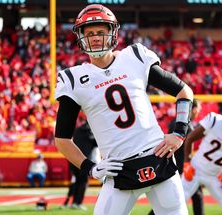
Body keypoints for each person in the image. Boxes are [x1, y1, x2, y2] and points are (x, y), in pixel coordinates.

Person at [54, 4, 193, 215]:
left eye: (101, 32)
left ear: (112, 33)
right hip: (118, 169)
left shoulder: (134, 57)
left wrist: (179, 133)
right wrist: (90, 168)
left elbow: (184, 92)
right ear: (81, 38)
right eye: (89, 33)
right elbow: (62, 140)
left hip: (158, 158)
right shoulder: (73, 79)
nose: (95, 37)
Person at [148, 99, 204, 215]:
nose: (198, 113)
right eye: (197, 110)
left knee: (193, 196)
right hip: (181, 167)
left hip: (179, 166)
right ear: (193, 109)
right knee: (177, 200)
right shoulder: (184, 126)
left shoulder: (177, 123)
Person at [182, 103, 222, 215]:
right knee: (174, 203)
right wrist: (187, 163)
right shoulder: (214, 120)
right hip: (195, 170)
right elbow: (190, 138)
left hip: (216, 176)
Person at [62, 121, 98, 210]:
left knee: (77, 181)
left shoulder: (77, 130)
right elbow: (96, 143)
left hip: (73, 160)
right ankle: (77, 203)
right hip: (83, 161)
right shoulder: (90, 131)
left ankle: (73, 202)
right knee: (83, 182)